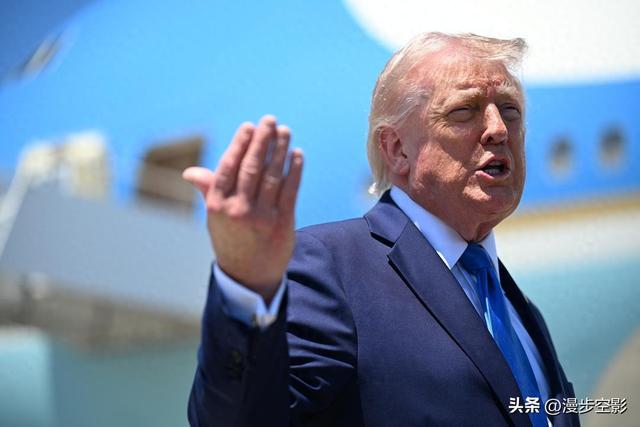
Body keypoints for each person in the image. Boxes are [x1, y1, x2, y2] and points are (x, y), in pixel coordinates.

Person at [184, 32, 579, 427]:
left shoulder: (517, 310)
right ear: (397, 149)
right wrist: (245, 288)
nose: (499, 128)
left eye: (510, 110)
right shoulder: (330, 269)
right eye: (464, 111)